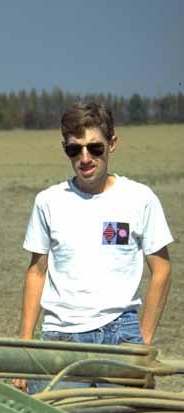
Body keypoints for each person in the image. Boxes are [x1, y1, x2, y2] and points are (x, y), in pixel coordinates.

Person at [14, 102, 173, 394]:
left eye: (94, 148)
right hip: (60, 338)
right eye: (75, 150)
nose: (85, 158)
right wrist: (25, 347)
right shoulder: (48, 201)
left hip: (121, 333)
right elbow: (36, 272)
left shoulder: (140, 198)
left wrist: (142, 342)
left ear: (112, 143)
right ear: (66, 149)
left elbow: (161, 269)